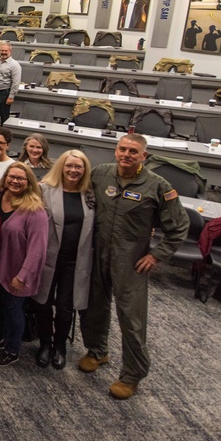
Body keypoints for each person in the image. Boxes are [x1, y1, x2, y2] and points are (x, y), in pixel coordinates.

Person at [80, 134, 187, 399]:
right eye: (123, 149)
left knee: (131, 319)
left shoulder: (157, 186)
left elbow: (179, 226)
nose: (127, 154)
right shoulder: (100, 174)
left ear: (143, 156)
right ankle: (97, 351)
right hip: (98, 253)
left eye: (133, 151)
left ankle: (132, 375)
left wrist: (156, 256)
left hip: (131, 260)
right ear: (115, 151)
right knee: (93, 306)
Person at [34, 150, 95, 370]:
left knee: (65, 306)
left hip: (75, 261)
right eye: (69, 166)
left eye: (79, 167)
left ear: (84, 170)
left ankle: (60, 346)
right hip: (48, 257)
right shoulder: (45, 190)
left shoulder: (90, 194)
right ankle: (44, 344)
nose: (73, 170)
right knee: (42, 302)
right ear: (61, 166)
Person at [0, 162, 49, 367]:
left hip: (16, 270)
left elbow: (37, 249)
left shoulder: (35, 210)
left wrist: (22, 276)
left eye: (20, 178)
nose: (15, 181)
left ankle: (12, 350)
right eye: (11, 177)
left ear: (29, 182)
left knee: (14, 311)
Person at [0, 42, 21, 127]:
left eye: (6, 50)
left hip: (4, 93)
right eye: (2, 50)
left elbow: (16, 82)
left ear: (10, 51)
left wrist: (11, 97)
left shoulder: (15, 65)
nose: (3, 52)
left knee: (4, 118)